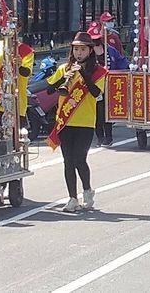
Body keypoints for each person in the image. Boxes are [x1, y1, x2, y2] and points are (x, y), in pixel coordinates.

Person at [46, 32, 107, 212]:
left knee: (80, 159)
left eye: (83, 49)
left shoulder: (98, 72)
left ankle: (87, 190)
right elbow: (50, 90)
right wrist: (64, 78)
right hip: (65, 121)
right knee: (68, 160)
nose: (79, 53)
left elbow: (97, 94)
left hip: (86, 122)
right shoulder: (64, 68)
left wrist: (83, 75)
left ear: (90, 51)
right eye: (76, 49)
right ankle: (72, 198)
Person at [0, 38, 34, 205]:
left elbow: (26, 73)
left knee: (13, 147)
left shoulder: (26, 51)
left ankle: (9, 184)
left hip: (15, 106)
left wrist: (18, 65)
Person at [87, 24, 129, 146]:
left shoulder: (110, 50)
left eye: (97, 39)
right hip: (93, 87)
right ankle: (99, 137)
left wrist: (129, 67)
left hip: (108, 86)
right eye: (93, 40)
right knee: (95, 114)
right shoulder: (87, 53)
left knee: (106, 113)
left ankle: (108, 137)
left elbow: (122, 61)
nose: (95, 42)